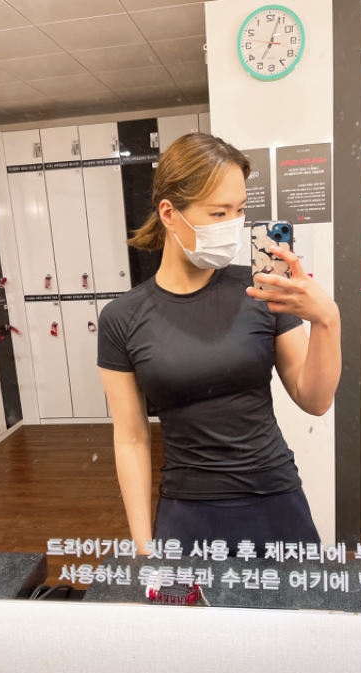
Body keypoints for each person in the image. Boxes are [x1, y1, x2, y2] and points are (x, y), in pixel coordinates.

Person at [97, 133, 341, 557]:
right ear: (169, 213)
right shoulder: (122, 318)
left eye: (240, 210)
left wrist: (326, 321)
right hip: (187, 508)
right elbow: (132, 437)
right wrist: (141, 544)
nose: (233, 224)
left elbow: (315, 400)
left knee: (297, 603)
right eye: (218, 212)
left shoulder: (263, 289)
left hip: (274, 497)